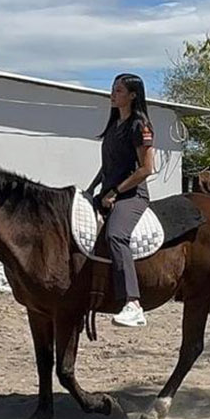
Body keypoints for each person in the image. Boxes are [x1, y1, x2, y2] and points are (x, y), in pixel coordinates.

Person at [86, 73, 157, 329]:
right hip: (107, 193)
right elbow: (108, 167)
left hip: (132, 195)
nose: (113, 94)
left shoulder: (140, 126)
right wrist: (91, 190)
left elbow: (147, 169)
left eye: (118, 90)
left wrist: (116, 192)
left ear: (132, 96)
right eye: (113, 89)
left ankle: (133, 303)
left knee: (116, 235)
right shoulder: (115, 126)